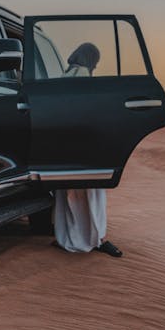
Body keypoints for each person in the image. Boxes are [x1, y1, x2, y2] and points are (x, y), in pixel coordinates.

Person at [52, 42, 123, 257]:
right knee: (93, 194)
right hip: (86, 146)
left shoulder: (63, 78)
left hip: (65, 147)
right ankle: (98, 239)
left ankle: (67, 238)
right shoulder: (84, 78)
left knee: (68, 195)